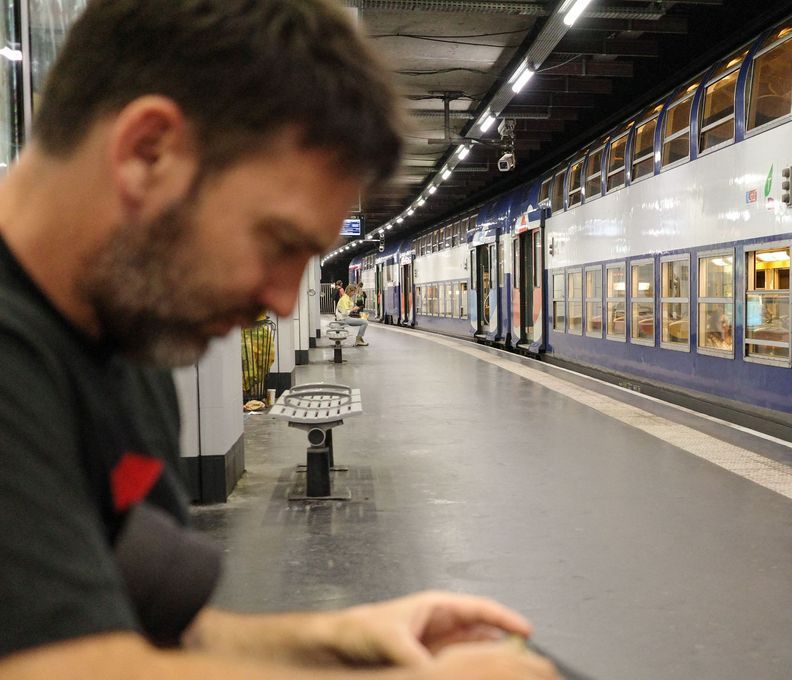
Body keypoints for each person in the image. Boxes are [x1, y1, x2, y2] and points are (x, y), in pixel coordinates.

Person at [0, 1, 556, 679]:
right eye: (277, 242)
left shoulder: (132, 350)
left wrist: (340, 638)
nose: (284, 300)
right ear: (148, 152)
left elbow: (147, 638)